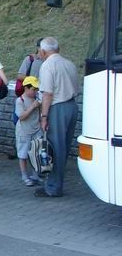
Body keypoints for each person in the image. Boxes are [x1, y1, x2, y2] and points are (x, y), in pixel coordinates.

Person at [35, 37, 79, 198]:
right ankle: (56, 183)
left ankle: (53, 186)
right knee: (64, 148)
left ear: (43, 51)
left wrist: (44, 116)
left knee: (55, 148)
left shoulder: (47, 66)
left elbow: (47, 93)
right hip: (72, 106)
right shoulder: (69, 64)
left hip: (57, 107)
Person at [15, 76, 42, 186]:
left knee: (36, 153)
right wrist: (33, 106)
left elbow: (40, 114)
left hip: (36, 129)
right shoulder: (20, 100)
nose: (36, 92)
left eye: (37, 89)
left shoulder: (37, 99)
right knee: (23, 153)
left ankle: (35, 174)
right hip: (24, 131)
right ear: (26, 88)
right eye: (34, 89)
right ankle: (24, 175)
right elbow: (21, 116)